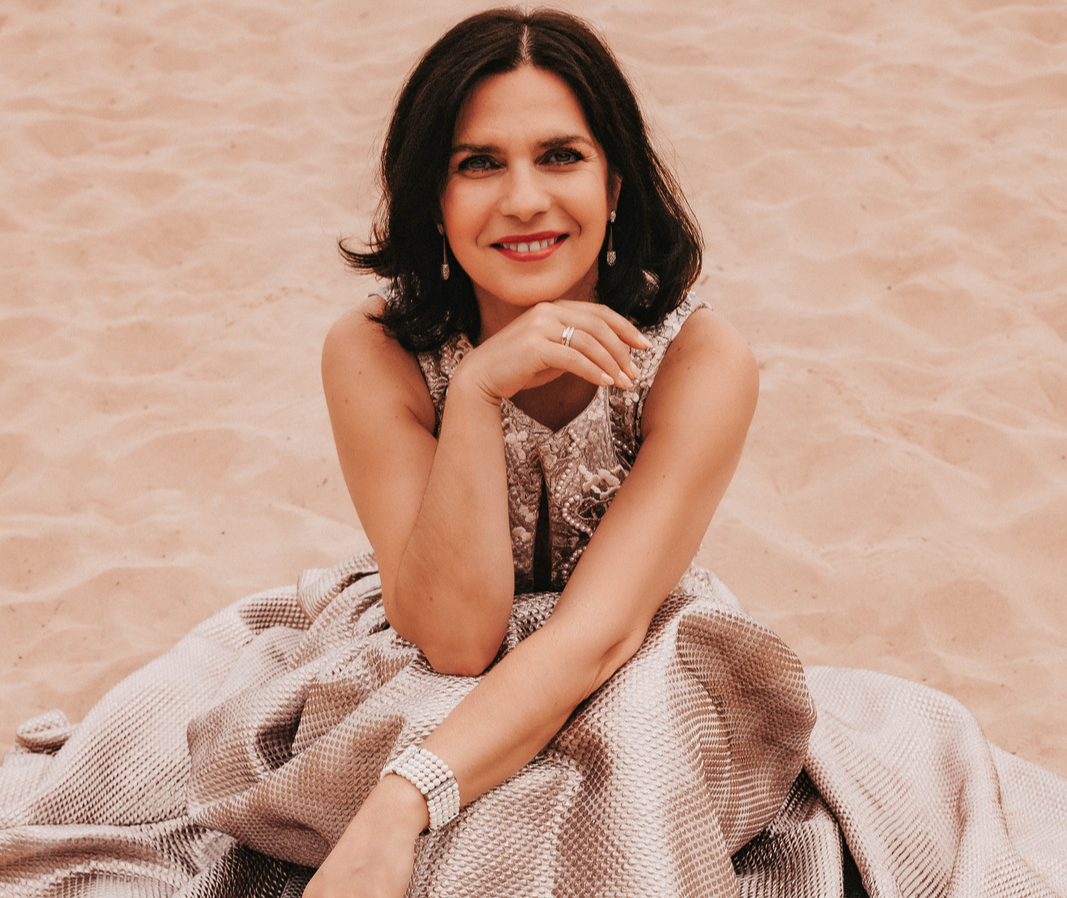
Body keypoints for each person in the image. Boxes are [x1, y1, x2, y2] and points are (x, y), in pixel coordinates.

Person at [0, 8, 1064, 898]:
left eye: (560, 156)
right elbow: (456, 637)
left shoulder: (698, 358)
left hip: (629, 649)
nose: (522, 199)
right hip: (421, 636)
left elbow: (597, 636)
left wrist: (402, 803)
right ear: (431, 195)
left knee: (608, 762)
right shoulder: (373, 347)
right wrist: (474, 395)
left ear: (615, 184)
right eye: (478, 164)